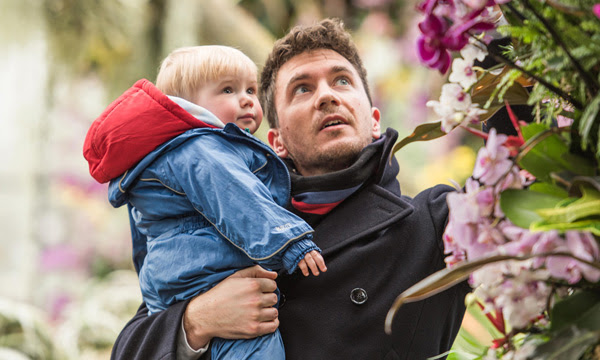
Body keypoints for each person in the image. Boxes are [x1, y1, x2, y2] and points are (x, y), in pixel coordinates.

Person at [109, 19, 470, 360]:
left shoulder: (435, 220)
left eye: (342, 81)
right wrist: (197, 321)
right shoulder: (220, 221)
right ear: (275, 141)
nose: (327, 97)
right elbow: (128, 347)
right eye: (302, 88)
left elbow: (521, 179)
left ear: (375, 120)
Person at [83, 45, 327, 359]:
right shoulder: (202, 148)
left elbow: (146, 237)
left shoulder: (169, 155)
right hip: (209, 274)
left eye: (251, 89)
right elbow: (239, 200)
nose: (247, 99)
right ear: (184, 106)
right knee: (257, 346)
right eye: (228, 89)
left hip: (184, 279)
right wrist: (291, 241)